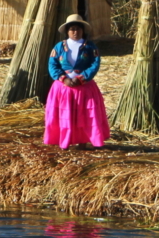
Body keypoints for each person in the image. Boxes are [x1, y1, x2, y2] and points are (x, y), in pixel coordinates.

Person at [44, 14, 110, 150]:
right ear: (67, 31)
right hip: (63, 88)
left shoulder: (90, 47)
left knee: (84, 115)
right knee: (64, 115)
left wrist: (82, 78)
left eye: (78, 29)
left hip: (84, 88)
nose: (75, 32)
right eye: (72, 29)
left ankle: (83, 142)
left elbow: (94, 64)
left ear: (83, 30)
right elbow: (52, 64)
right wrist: (64, 79)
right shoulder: (59, 47)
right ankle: (64, 141)